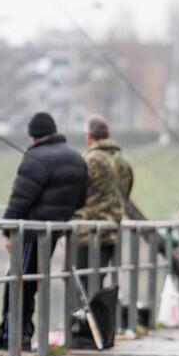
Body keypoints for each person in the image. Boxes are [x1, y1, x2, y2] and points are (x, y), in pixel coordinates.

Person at [0, 112, 88, 351]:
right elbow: (81, 200)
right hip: (54, 231)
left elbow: (20, 198)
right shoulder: (76, 158)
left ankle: (14, 337)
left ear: (33, 136)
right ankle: (17, 333)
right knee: (30, 281)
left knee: (18, 282)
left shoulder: (35, 157)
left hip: (31, 232)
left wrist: (7, 230)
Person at [71, 115, 129, 285]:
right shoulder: (123, 162)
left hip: (87, 234)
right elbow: (125, 195)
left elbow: (76, 194)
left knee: (80, 290)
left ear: (88, 136)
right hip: (112, 233)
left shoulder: (89, 160)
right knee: (97, 287)